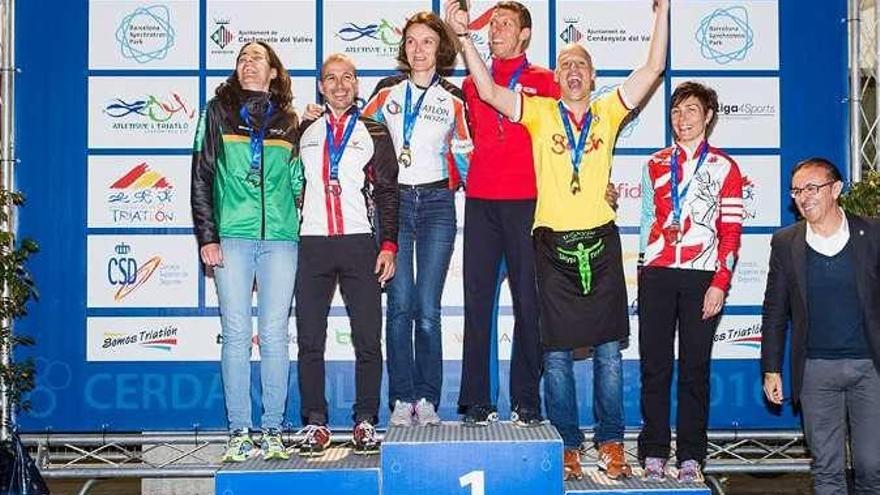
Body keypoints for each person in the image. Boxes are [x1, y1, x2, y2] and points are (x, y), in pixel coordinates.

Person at [446, 0, 669, 481]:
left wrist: (662, 12)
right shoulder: (541, 112)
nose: (572, 72)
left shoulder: (608, 111)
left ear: (592, 78)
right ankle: (567, 444)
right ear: (559, 76)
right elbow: (485, 88)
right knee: (557, 352)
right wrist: (463, 37)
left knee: (609, 352)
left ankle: (611, 442)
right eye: (566, 64)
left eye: (581, 66)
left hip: (600, 241)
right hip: (550, 241)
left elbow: (653, 67)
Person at [360, 11, 472, 427]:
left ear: (440, 48)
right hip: (395, 206)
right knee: (400, 305)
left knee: (428, 307)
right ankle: (400, 399)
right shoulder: (386, 92)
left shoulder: (454, 98)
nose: (419, 49)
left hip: (438, 204)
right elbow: (354, 132)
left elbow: (468, 157)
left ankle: (427, 399)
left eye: (427, 41)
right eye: (411, 42)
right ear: (403, 48)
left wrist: (469, 161)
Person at [191, 41, 300, 462]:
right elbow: (201, 174)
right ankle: (239, 430)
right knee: (236, 335)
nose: (248, 63)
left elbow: (295, 178)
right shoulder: (217, 111)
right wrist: (208, 236)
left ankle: (273, 427)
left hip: (280, 240)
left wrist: (296, 214)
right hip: (231, 236)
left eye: (258, 57)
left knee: (274, 336)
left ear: (274, 71)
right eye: (242, 58)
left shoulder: (289, 120)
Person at [456, 0, 560, 430]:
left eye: (506, 24)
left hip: (528, 202)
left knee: (528, 303)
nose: (496, 29)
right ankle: (477, 401)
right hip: (481, 200)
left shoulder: (547, 81)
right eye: (493, 23)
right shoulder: (469, 83)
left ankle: (526, 400)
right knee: (477, 303)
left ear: (524, 34)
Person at [636, 81, 744, 482]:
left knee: (695, 369)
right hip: (659, 275)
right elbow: (647, 221)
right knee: (655, 367)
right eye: (677, 111)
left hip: (703, 277)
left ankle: (691, 456)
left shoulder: (725, 168)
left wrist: (721, 282)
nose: (682, 119)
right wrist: (643, 271)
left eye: (691, 110)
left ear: (708, 117)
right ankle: (653, 452)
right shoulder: (654, 164)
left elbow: (730, 233)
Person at [294, 53, 399, 457]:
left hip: (359, 243)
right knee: (309, 341)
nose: (339, 85)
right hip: (312, 243)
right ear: (321, 86)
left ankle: (365, 421)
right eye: (331, 79)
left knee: (368, 339)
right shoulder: (303, 130)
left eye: (347, 78)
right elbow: (286, 182)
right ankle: (315, 423)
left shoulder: (375, 130)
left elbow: (389, 193)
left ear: (356, 85)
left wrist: (388, 244)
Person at [761, 158, 880, 495]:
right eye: (797, 190)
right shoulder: (786, 242)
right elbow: (774, 310)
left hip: (870, 368)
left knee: (873, 466)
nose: (803, 196)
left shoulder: (872, 233)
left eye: (812, 187)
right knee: (827, 471)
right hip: (815, 371)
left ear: (836, 190)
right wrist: (771, 369)